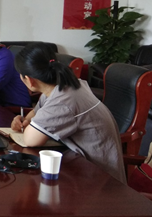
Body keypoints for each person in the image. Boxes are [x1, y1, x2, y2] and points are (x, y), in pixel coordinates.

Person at [11, 42, 126, 183]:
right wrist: (25, 120)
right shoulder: (66, 85)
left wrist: (30, 126)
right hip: (82, 164)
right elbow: (36, 112)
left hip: (99, 179)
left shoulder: (63, 101)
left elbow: (30, 140)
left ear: (29, 80)